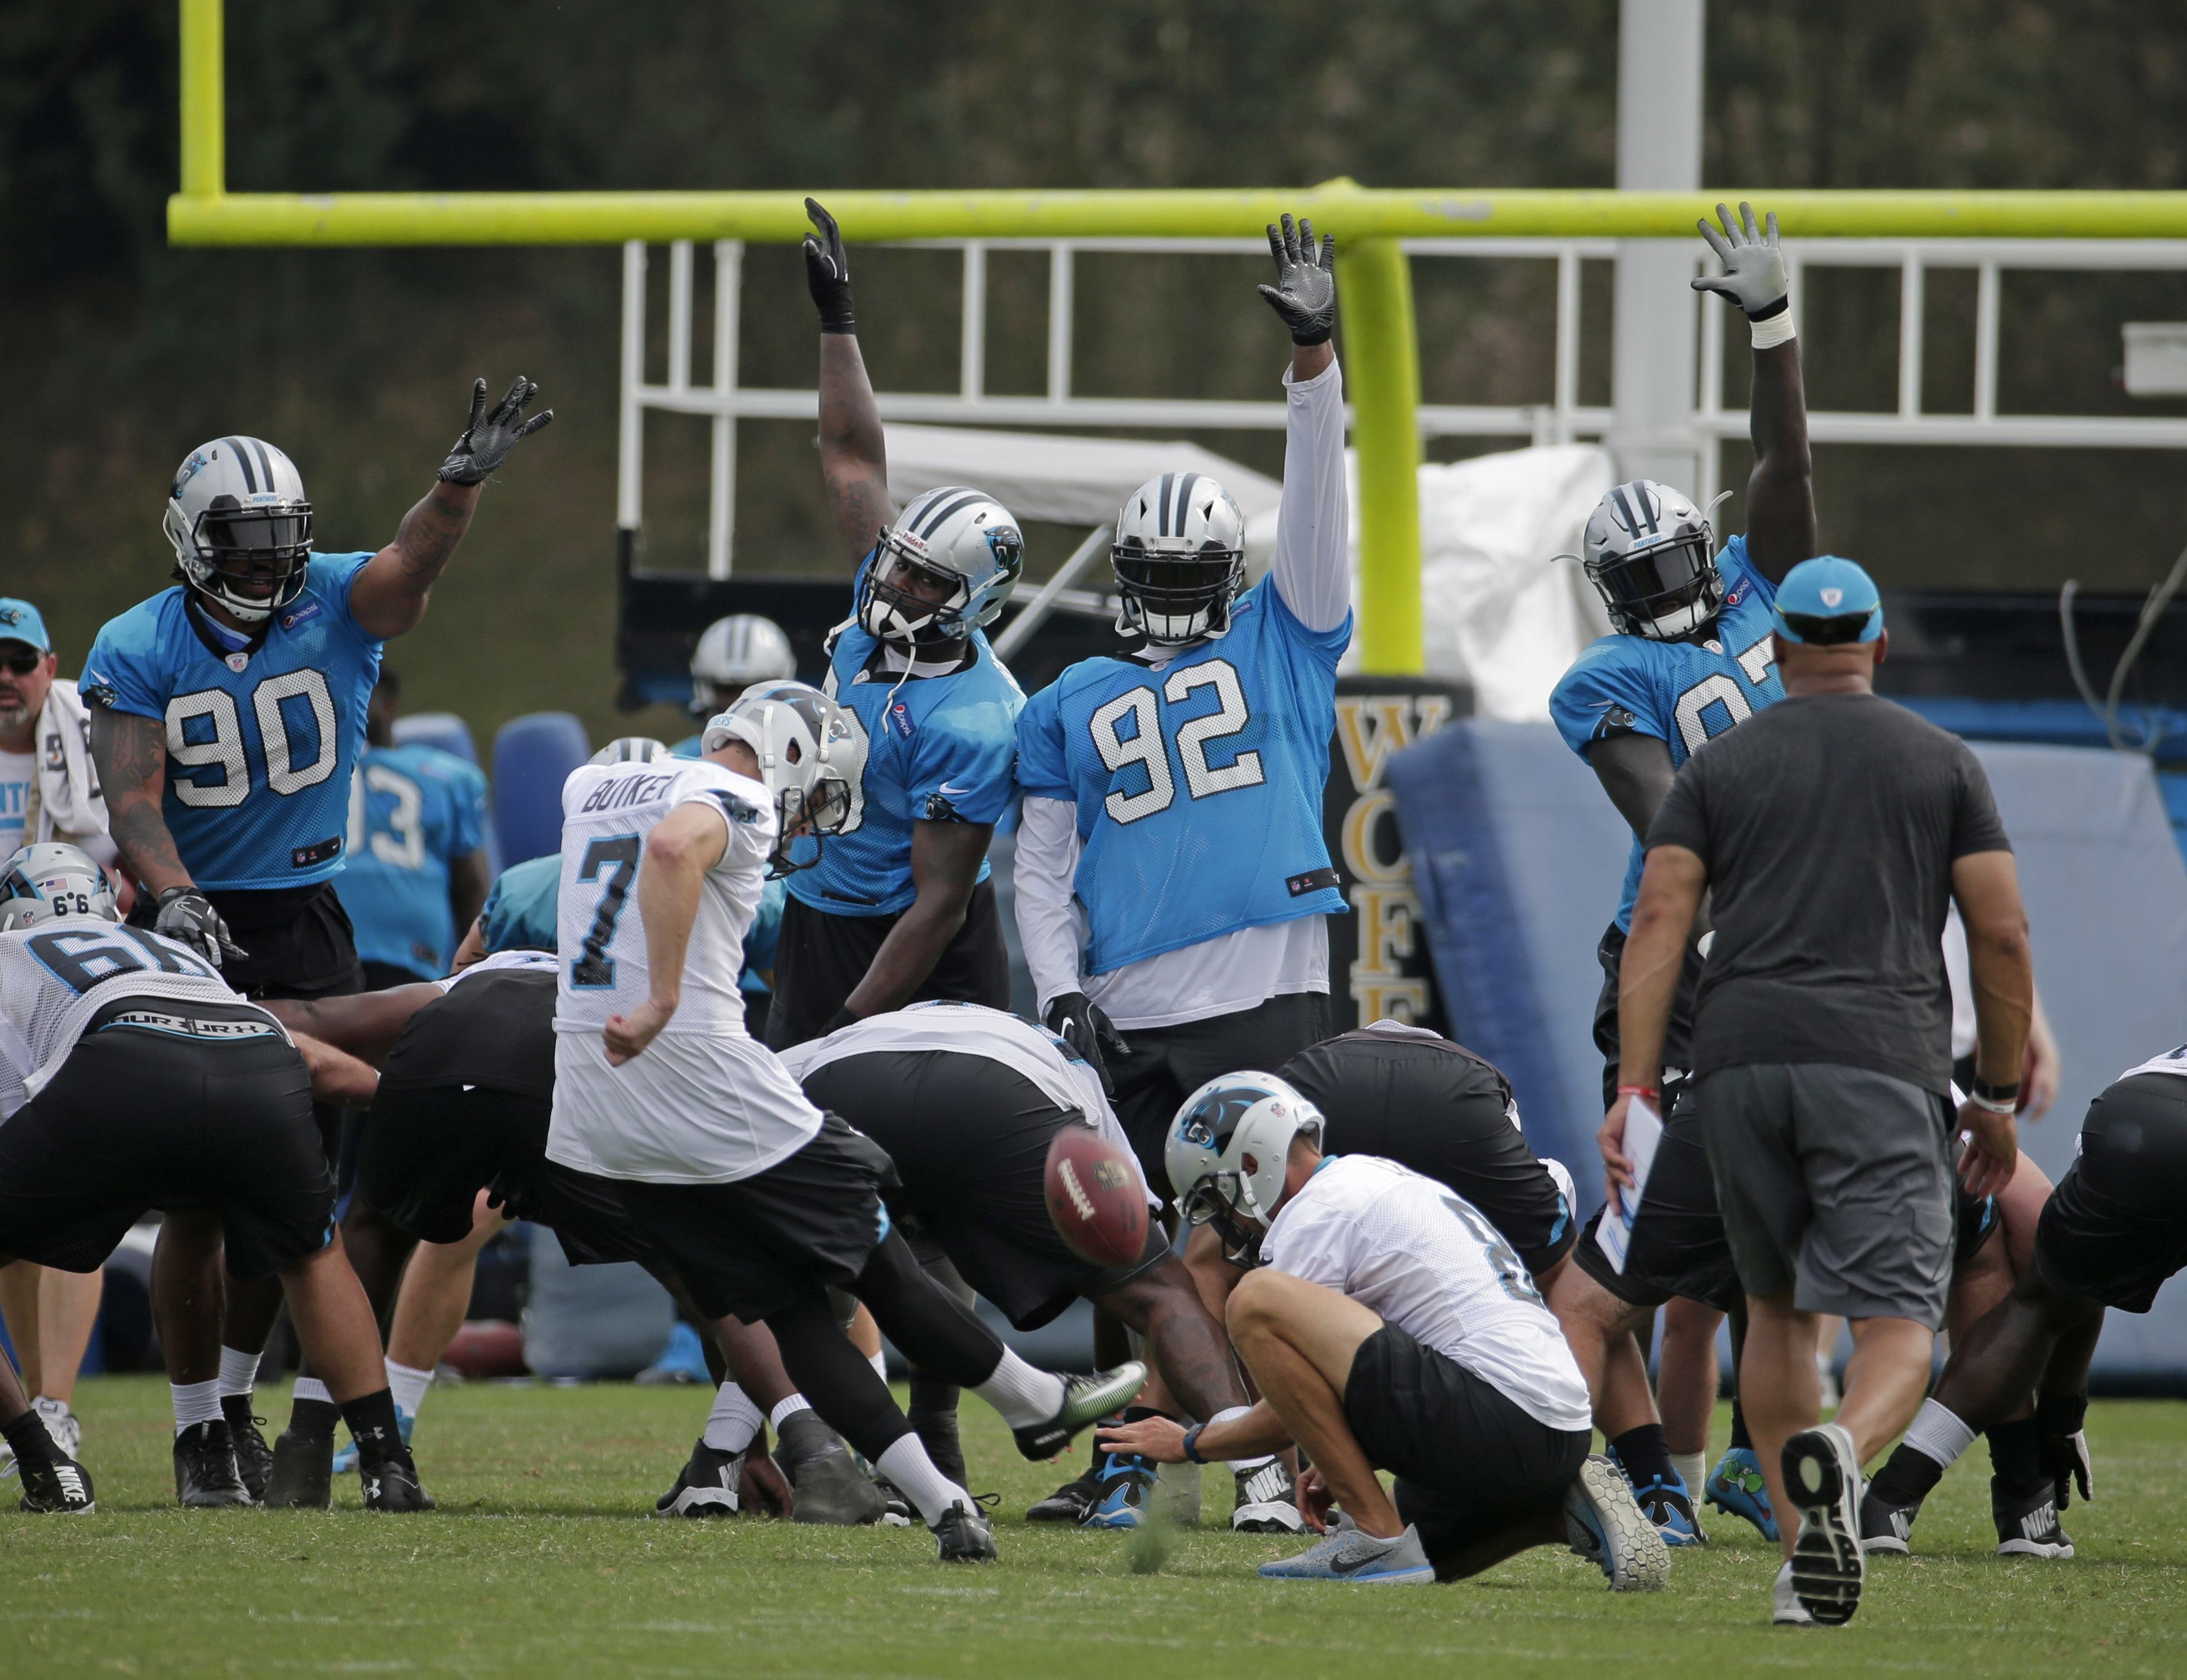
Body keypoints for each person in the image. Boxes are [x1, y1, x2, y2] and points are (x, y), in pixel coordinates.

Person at [543, 681, 1145, 1562]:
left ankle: (946, 1508)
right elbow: (675, 847)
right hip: (708, 1087)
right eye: (820, 790)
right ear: (787, 755)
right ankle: (1034, 1402)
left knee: (792, 1309)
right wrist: (666, 995)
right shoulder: (737, 796)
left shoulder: (594, 784)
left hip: (597, 1115)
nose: (813, 815)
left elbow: (643, 837)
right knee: (881, 1252)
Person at [79, 383, 551, 1470]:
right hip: (191, 919)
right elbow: (134, 798)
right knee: (197, 1196)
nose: (263, 566)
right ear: (191, 543)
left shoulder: (332, 599)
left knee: (292, 1192)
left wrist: (458, 485)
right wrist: (175, 892)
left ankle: (239, 1404)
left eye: (278, 544)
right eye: (240, 547)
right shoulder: (137, 643)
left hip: (307, 918)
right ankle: (198, 1423)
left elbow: (409, 565)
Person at [1605, 555, 2033, 1627]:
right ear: (1880, 648)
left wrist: (1635, 1085)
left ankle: (1805, 1567)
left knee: (1774, 1314)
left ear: (1782, 652)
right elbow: (2001, 931)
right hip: (1881, 1060)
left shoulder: (1721, 763)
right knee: (1896, 1322)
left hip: (1738, 1063)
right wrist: (1995, 1093)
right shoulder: (1943, 763)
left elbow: (1658, 917)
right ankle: (1839, 1454)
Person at [1545, 202, 1812, 1535]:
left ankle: (1740, 1477)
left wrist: (1773, 330)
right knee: (1644, 1243)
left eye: (1674, 562)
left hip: (1781, 953)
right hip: (1682, 959)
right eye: (1637, 574)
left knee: (1758, 1255)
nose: (1666, 586)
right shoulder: (1604, 680)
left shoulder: (1766, 592)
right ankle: (1648, 1476)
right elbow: (1669, 817)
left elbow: (1783, 469)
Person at [1014, 213, 1350, 1188]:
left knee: (1273, 1237)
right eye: (1148, 575)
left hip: (1263, 994)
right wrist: (1058, 993)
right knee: (1138, 1254)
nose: (1164, 592)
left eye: (1183, 574)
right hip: (1121, 1008)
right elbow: (1038, 869)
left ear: (1230, 572)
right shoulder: (1069, 697)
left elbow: (1319, 501)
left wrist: (1313, 360)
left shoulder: (1285, 633)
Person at [1101, 1073, 1667, 1591]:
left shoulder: (1317, 1212)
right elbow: (1372, 1374)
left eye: (1219, 1198)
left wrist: (1191, 1443)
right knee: (1423, 1550)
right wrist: (1341, 1454)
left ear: (1252, 1166)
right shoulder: (1370, 1179)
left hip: (1496, 1415)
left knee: (1255, 1300)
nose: (1228, 1221)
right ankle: (1559, 1511)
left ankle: (1374, 1536)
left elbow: (1283, 1411)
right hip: (1550, 1429)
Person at [0, 842, 429, 1510]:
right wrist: (406, 1099)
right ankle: (387, 1462)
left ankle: (44, 1459)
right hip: (257, 1063)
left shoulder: (13, 955)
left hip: (119, 1063)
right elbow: (302, 1055)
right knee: (314, 1253)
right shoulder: (170, 952)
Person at [777, 1000, 1290, 1532]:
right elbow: (1153, 1273)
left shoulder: (841, 1040)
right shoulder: (1073, 1072)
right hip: (1005, 1091)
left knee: (788, 1296)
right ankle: (1261, 1481)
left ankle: (806, 1455)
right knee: (1163, 1294)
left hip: (841, 1086)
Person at [763, 201, 1025, 1052]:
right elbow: (850, 453)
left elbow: (937, 906)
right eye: (899, 560)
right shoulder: (887, 613)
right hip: (821, 911)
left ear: (976, 603)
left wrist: (842, 1027)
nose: (895, 580)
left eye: (924, 578)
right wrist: (837, 319)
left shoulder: (975, 720)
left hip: (914, 942)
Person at [1859, 1046, 2186, 1561]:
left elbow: (2069, 1278)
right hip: (1892, 1113)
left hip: (2138, 1105)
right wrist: (2063, 1412)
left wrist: (2062, 1411)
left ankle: (1896, 1496)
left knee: (2038, 1296)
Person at [0, 595, 112, 1473]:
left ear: (49, 664)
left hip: (78, 982)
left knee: (77, 1195)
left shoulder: (96, 729)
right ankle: (33, 1412)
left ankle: (57, 1407)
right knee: (12, 1202)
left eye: (16, 660)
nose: (3, 680)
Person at [332, 668, 490, 987]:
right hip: (323, 950)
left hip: (412, 957)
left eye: (359, 694)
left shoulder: (450, 777)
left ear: (388, 706)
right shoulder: (305, 765)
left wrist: (475, 977)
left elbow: (470, 885)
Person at [673, 614, 799, 756]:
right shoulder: (681, 756)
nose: (741, 700)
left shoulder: (805, 754)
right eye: (726, 689)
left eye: (755, 688)